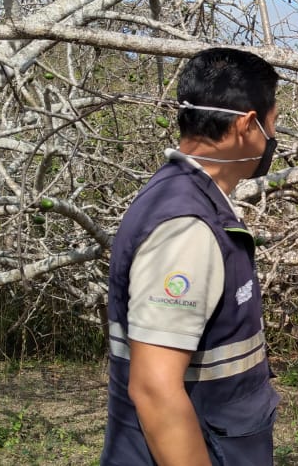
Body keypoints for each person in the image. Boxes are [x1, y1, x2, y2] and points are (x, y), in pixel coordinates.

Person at [101, 47, 280, 466]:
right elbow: (155, 389)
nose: (274, 138)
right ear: (246, 125)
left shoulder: (188, 197)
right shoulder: (186, 227)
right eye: (273, 124)